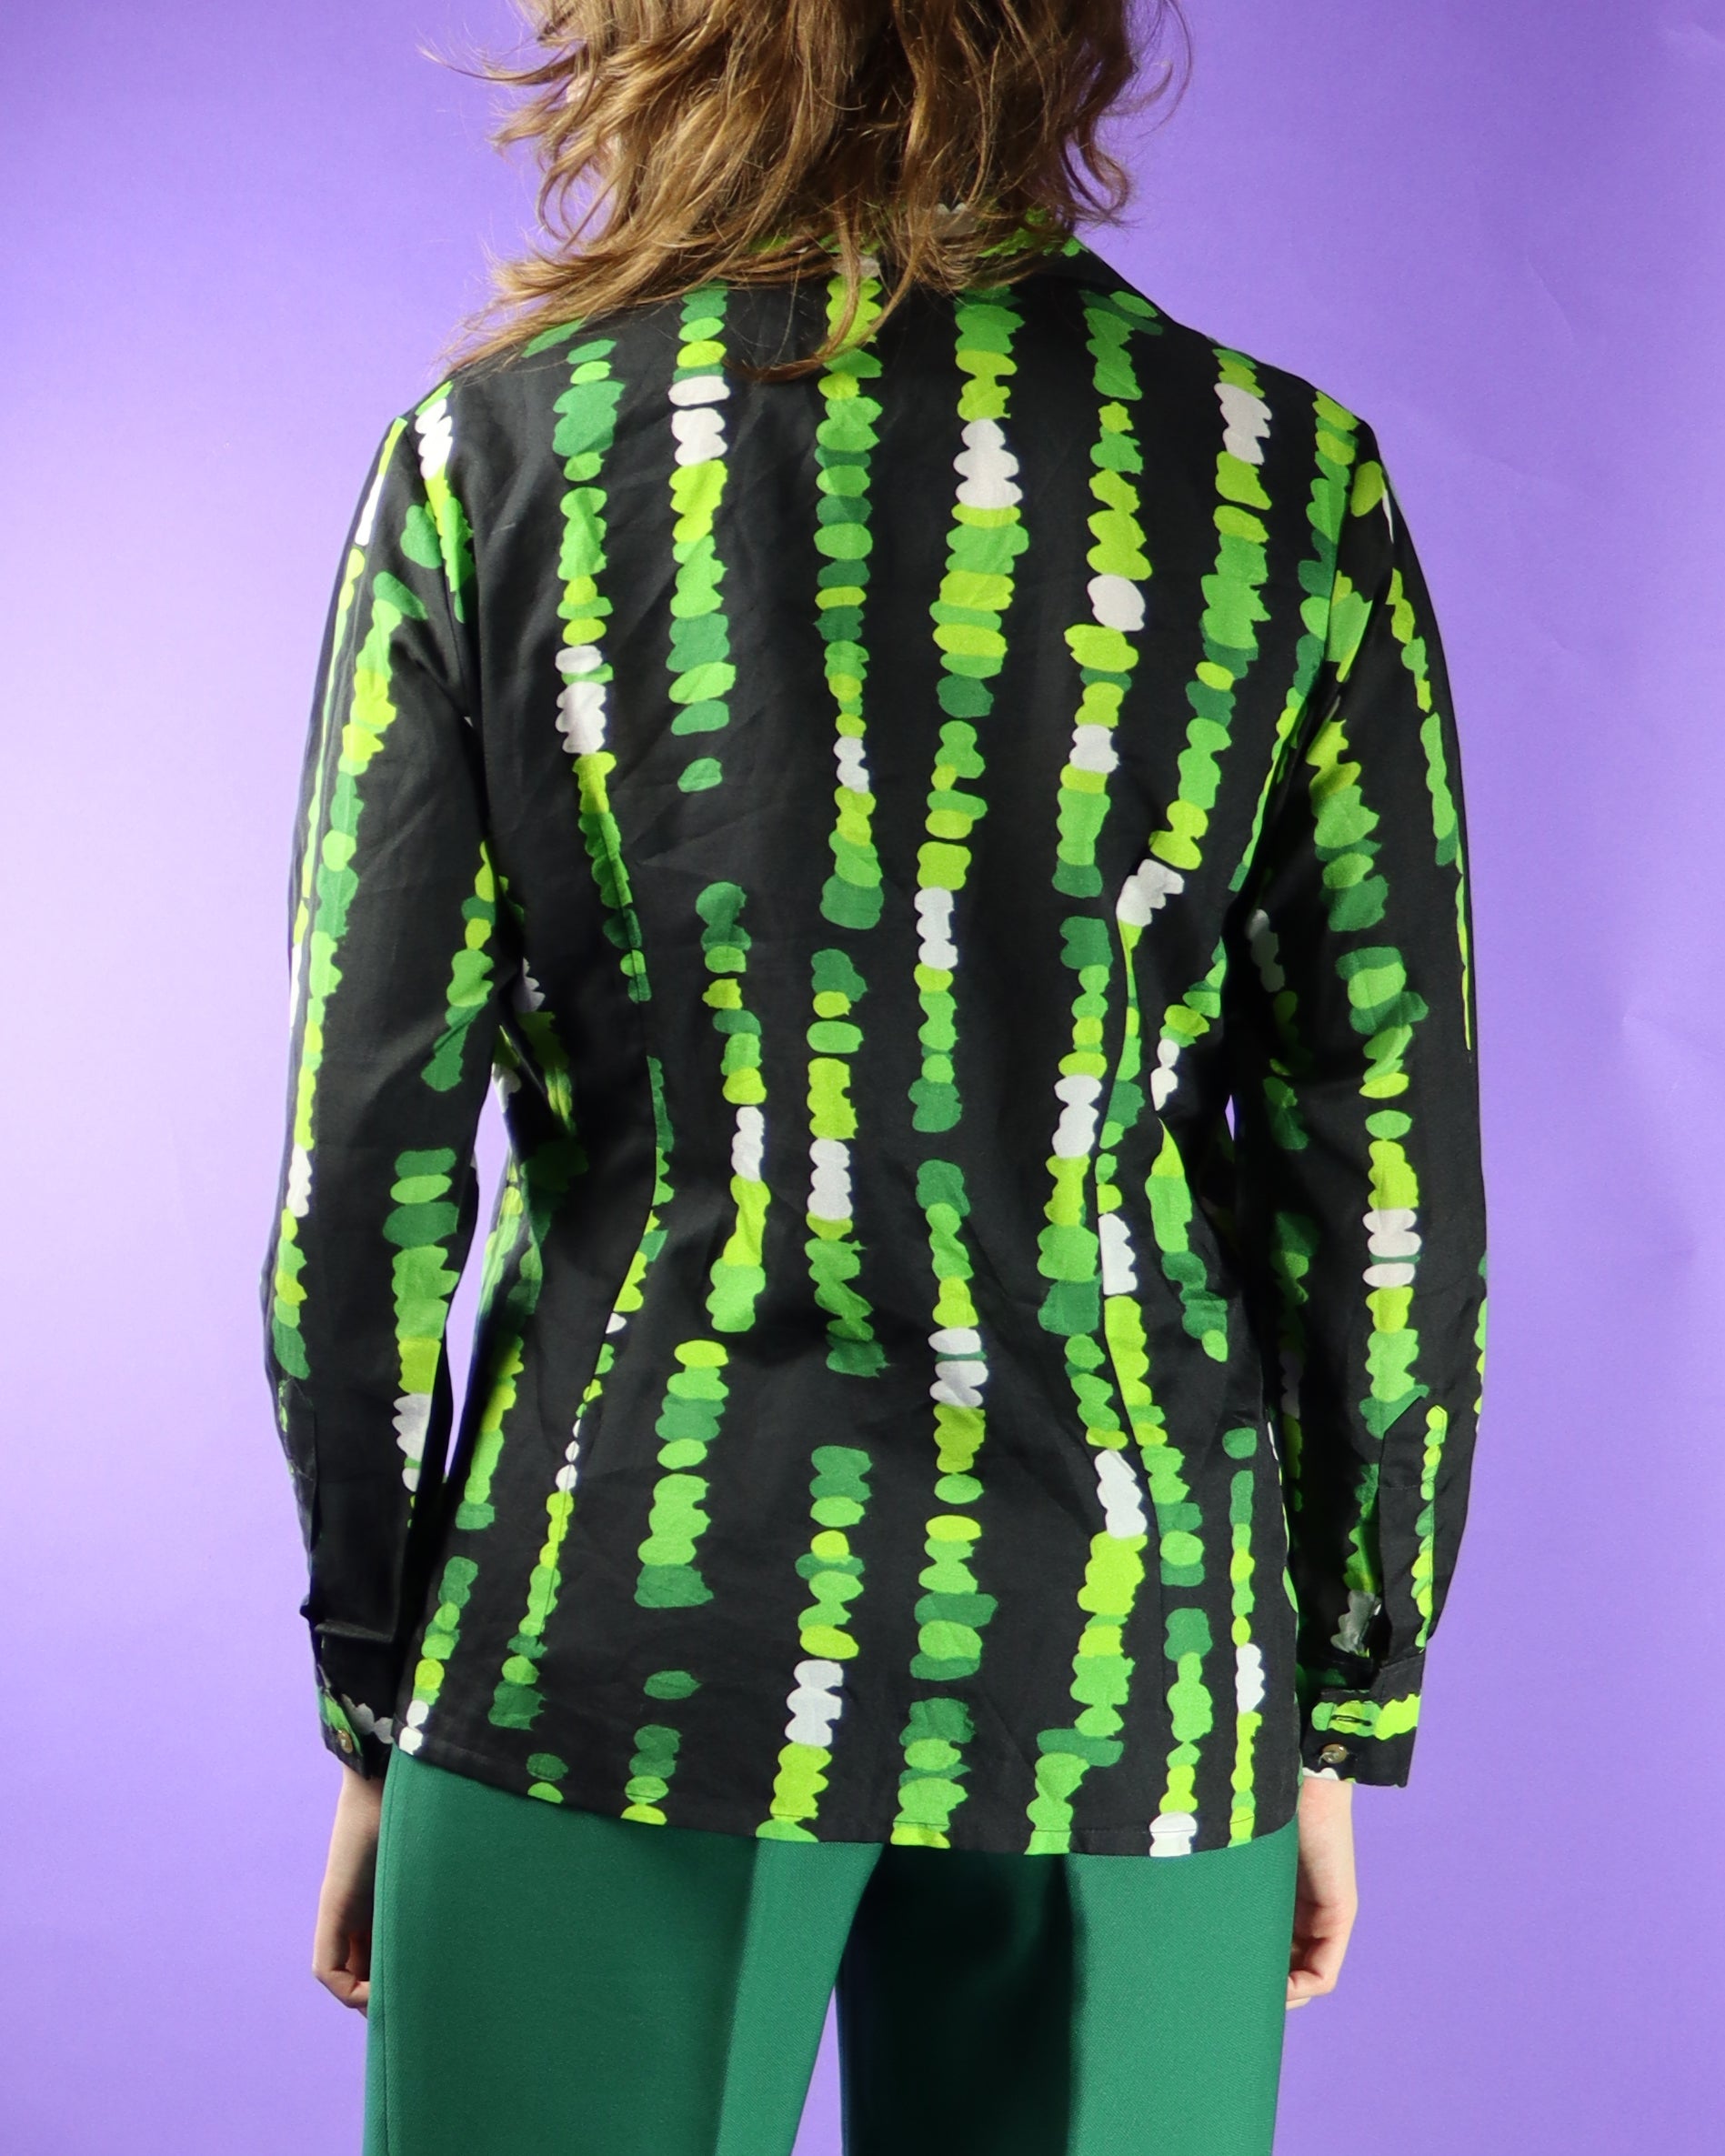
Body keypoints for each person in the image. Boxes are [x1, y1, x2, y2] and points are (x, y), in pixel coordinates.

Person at [259, 1, 1488, 2150]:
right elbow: (1383, 1163)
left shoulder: (497, 462)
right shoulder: (1282, 480)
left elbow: (363, 1163)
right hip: (1133, 1653)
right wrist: (1337, 1699)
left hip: (603, 1624)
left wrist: (376, 1681)